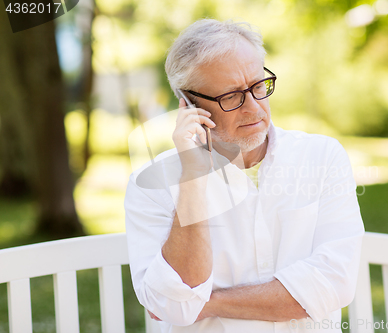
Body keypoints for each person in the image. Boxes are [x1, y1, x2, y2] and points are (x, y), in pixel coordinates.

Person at [125, 18, 365, 333]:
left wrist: (207, 303)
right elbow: (172, 300)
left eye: (257, 86)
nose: (253, 107)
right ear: (189, 105)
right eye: (231, 96)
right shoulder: (152, 184)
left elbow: (334, 283)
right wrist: (193, 177)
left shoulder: (322, 157)